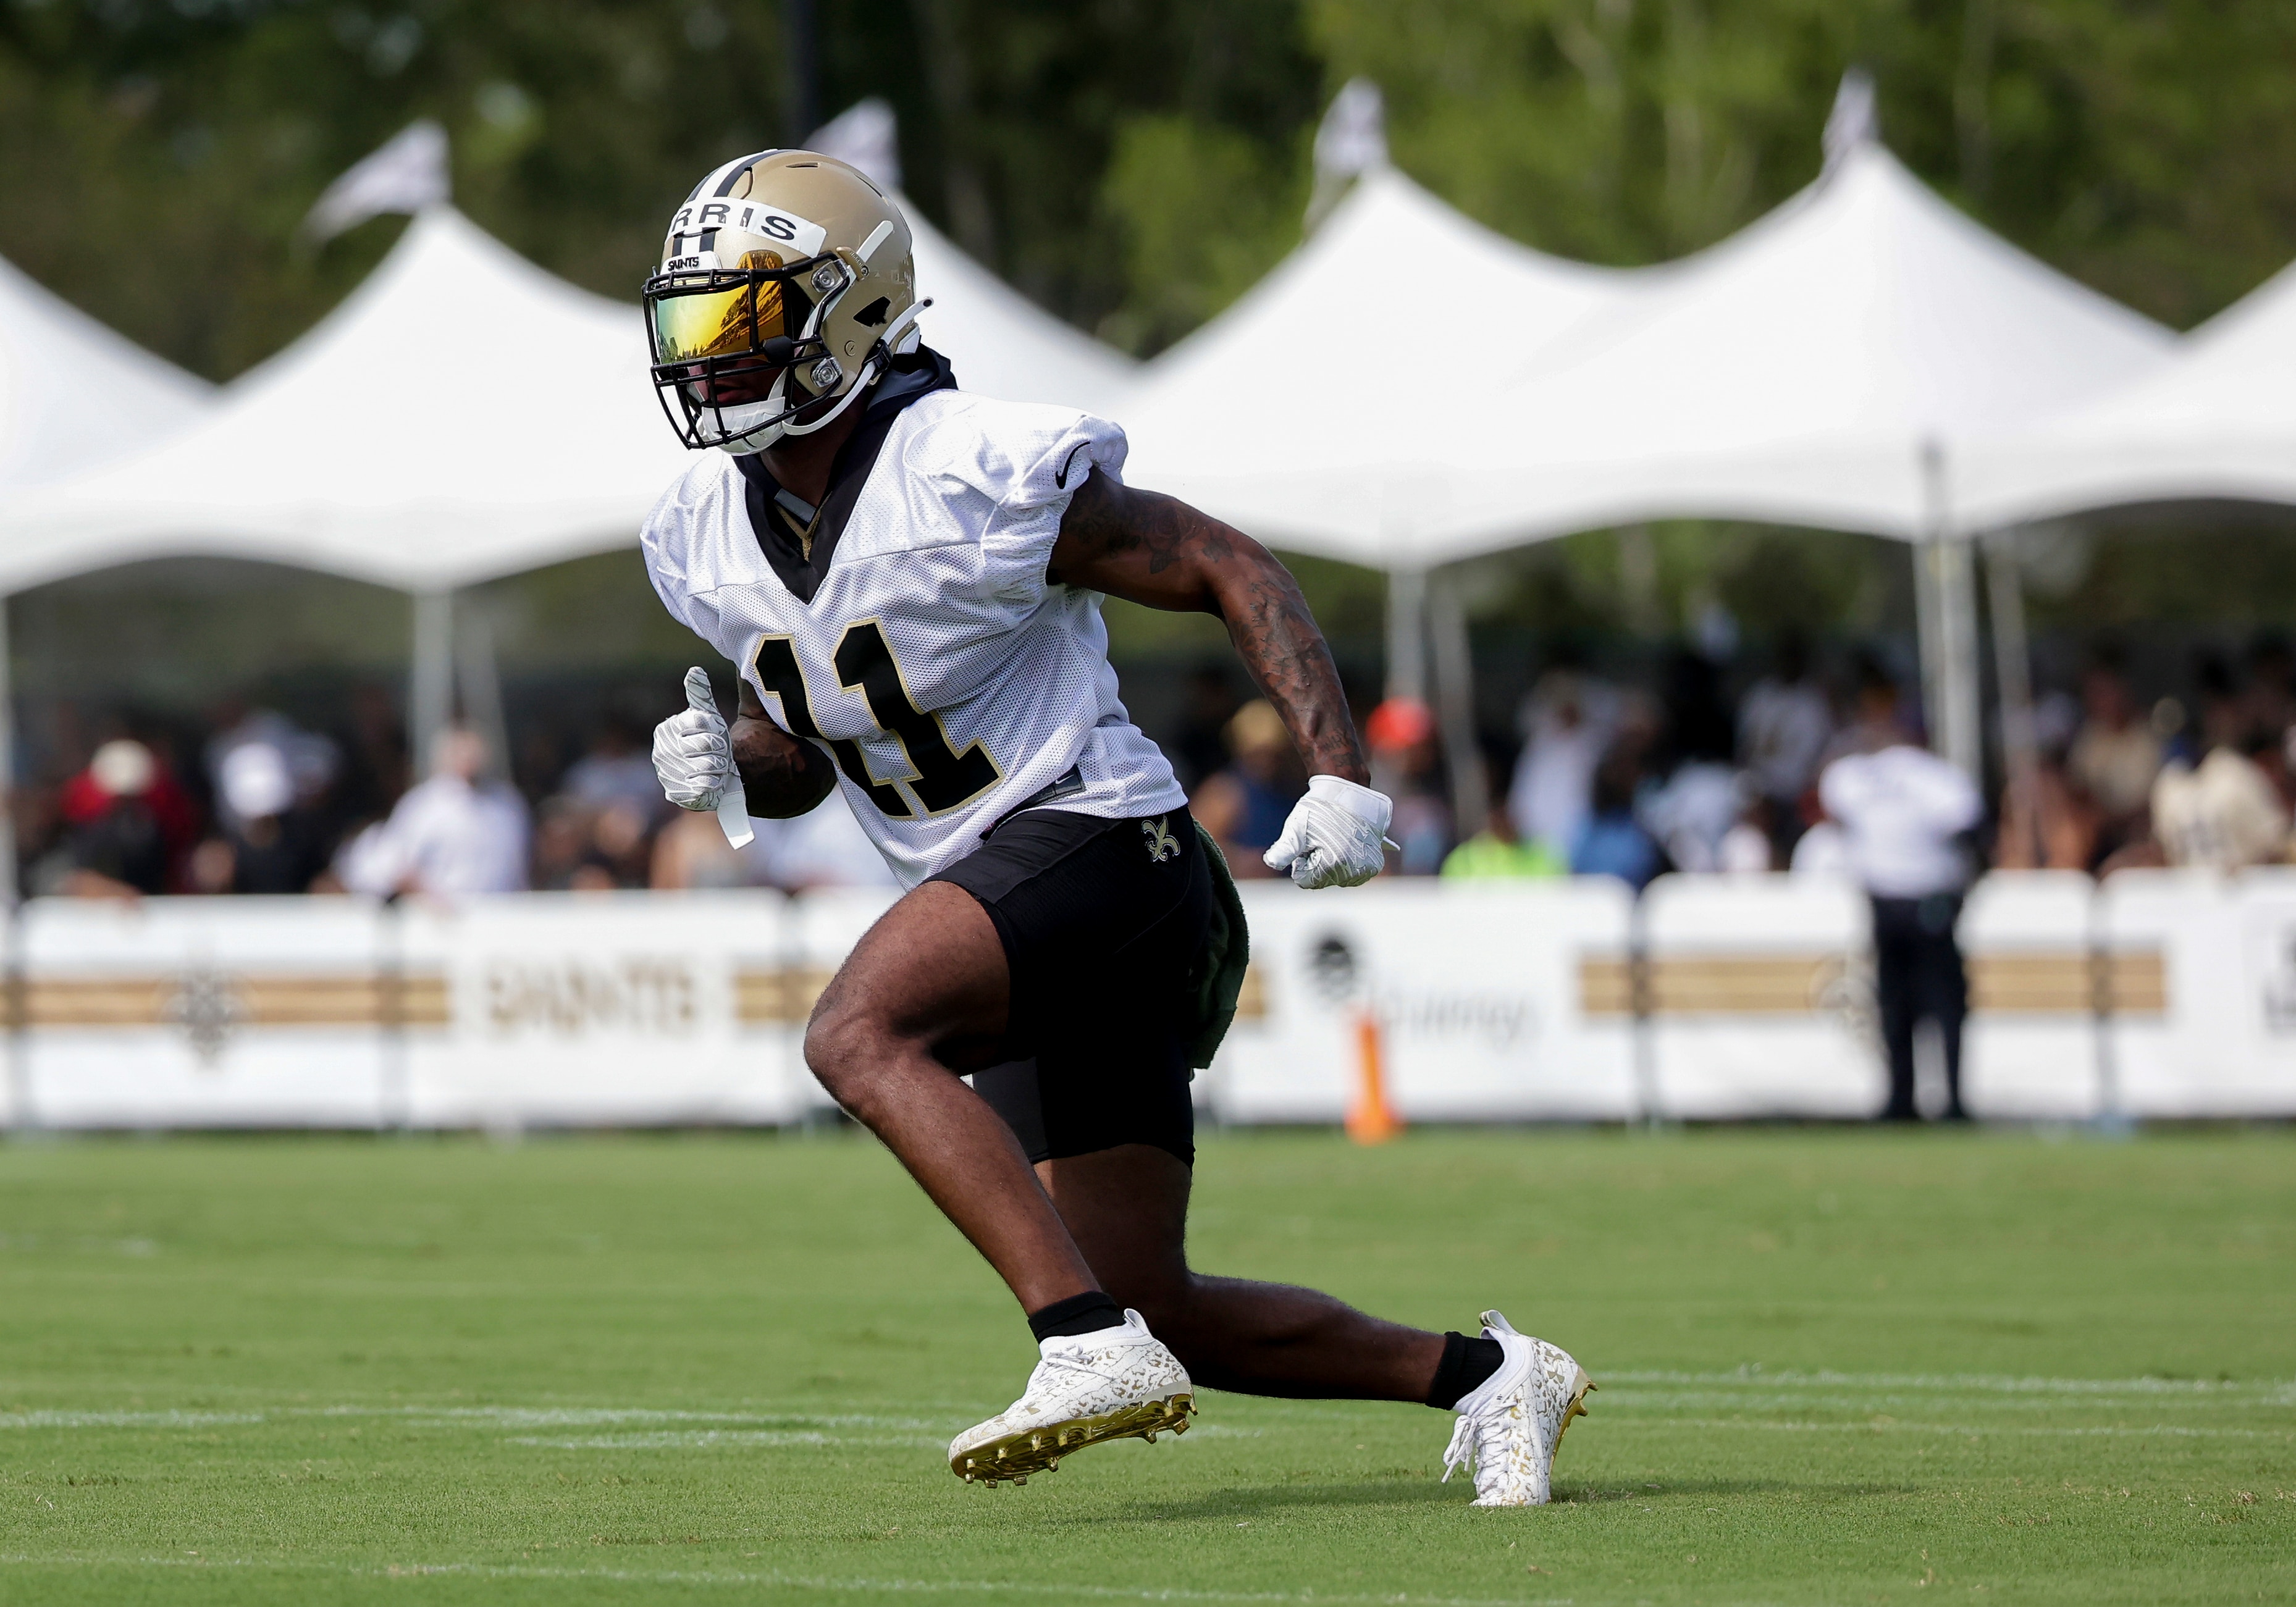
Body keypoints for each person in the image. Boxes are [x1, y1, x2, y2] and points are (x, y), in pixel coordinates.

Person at [636, 151, 1590, 1506]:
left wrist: (1337, 771)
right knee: (1154, 1300)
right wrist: (727, 760)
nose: (710, 356)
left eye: (743, 317)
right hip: (1018, 891)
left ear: (851, 314)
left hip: (1107, 848)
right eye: (693, 324)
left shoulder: (962, 466)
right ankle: (1492, 1375)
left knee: (855, 1032)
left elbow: (1220, 560)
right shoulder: (701, 530)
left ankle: (1076, 1345)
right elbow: (808, 746)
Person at [1817, 672, 1983, 1122]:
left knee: (1942, 1004)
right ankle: (1899, 1099)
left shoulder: (1930, 776)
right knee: (1896, 1006)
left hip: (1929, 898)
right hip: (1886, 899)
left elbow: (1965, 824)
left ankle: (1951, 1100)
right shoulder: (1856, 774)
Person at [336, 726, 529, 899]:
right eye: (461, 753)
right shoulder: (425, 805)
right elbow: (393, 864)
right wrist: (430, 898)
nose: (469, 760)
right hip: (444, 922)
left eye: (474, 753)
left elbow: (520, 865)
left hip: (500, 916)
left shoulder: (507, 802)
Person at [1188, 699, 1303, 879]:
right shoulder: (1224, 793)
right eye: (1257, 753)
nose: (1266, 762)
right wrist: (1239, 861)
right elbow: (1193, 848)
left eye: (1275, 754)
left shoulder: (1295, 789)